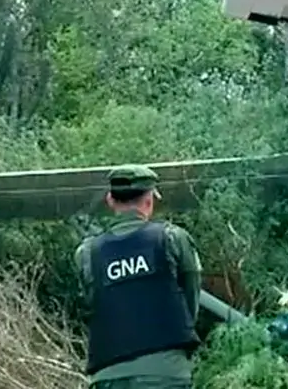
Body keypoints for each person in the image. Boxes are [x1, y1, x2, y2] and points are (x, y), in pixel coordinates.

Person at [74, 164, 203, 389]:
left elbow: (92, 306)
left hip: (108, 376)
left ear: (110, 200)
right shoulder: (172, 239)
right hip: (166, 373)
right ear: (149, 200)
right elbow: (190, 299)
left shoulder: (87, 253)